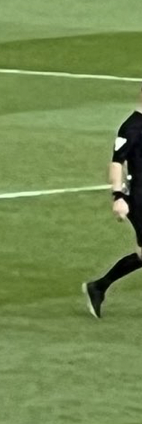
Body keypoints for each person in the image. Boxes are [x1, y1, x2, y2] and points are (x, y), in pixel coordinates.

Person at [85, 85, 142, 317]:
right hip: (138, 198)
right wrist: (118, 197)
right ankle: (98, 286)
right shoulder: (132, 127)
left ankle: (98, 287)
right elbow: (117, 161)